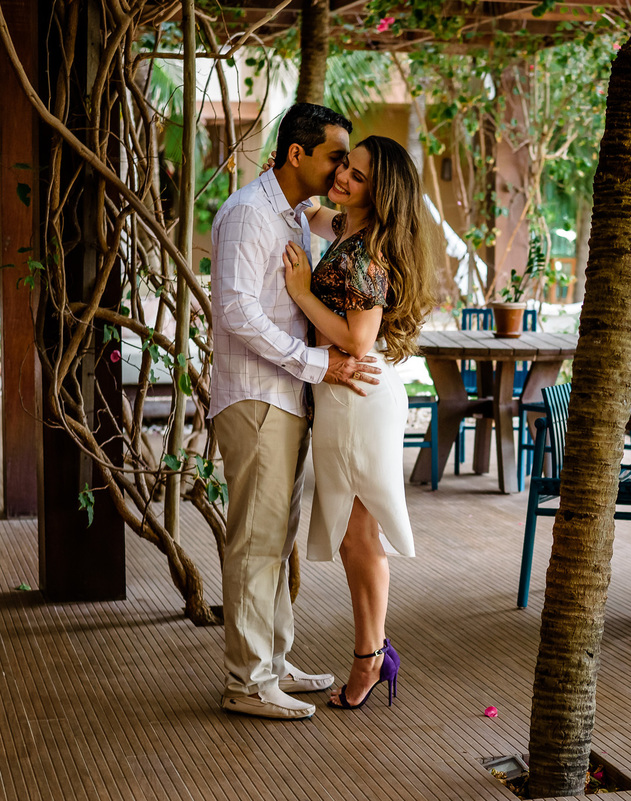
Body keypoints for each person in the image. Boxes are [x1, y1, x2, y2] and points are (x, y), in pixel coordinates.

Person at [209, 103, 383, 721]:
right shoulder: (250, 214)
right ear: (297, 155)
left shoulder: (290, 217)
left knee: (274, 538)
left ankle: (273, 664)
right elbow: (235, 311)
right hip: (258, 395)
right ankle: (249, 682)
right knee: (256, 542)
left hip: (283, 397)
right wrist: (319, 367)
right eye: (337, 155)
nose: (342, 168)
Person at [280, 134, 437, 709]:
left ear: (382, 194)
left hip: (357, 398)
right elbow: (308, 208)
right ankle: (374, 652)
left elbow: (357, 338)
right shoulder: (346, 228)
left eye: (360, 175)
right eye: (346, 164)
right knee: (355, 538)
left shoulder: (366, 252)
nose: (344, 176)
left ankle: (370, 657)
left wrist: (300, 290)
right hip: (350, 398)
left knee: (360, 538)